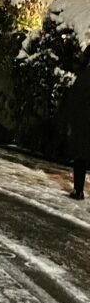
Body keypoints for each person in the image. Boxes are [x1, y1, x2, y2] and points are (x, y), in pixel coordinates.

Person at [65, 47, 90, 200]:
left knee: (80, 157)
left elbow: (73, 101)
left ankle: (78, 190)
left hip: (83, 122)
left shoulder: (84, 76)